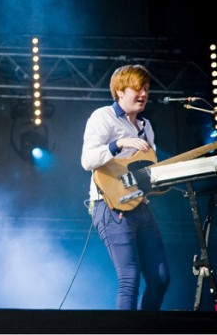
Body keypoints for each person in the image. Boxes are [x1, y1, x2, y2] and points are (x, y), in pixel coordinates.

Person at [81, 64, 170, 310]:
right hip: (109, 207)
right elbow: (87, 160)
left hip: (140, 205)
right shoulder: (103, 117)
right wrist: (118, 143)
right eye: (136, 88)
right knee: (129, 279)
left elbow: (147, 172)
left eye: (146, 88)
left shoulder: (146, 127)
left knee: (161, 278)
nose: (143, 93)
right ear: (120, 91)